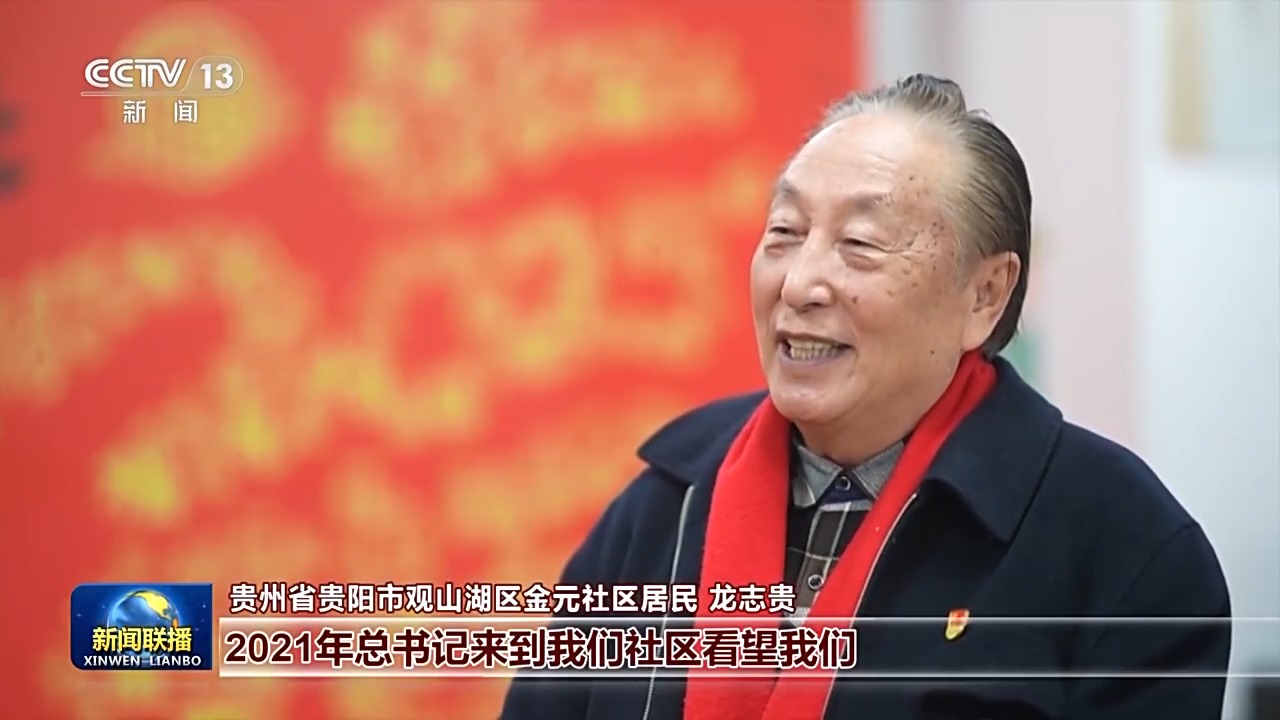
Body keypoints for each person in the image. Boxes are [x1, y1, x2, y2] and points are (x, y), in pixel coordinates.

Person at [499, 73, 1231, 720]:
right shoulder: (669, 501)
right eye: (785, 232)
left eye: (860, 244)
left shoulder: (1122, 547)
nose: (799, 284)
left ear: (984, 294)